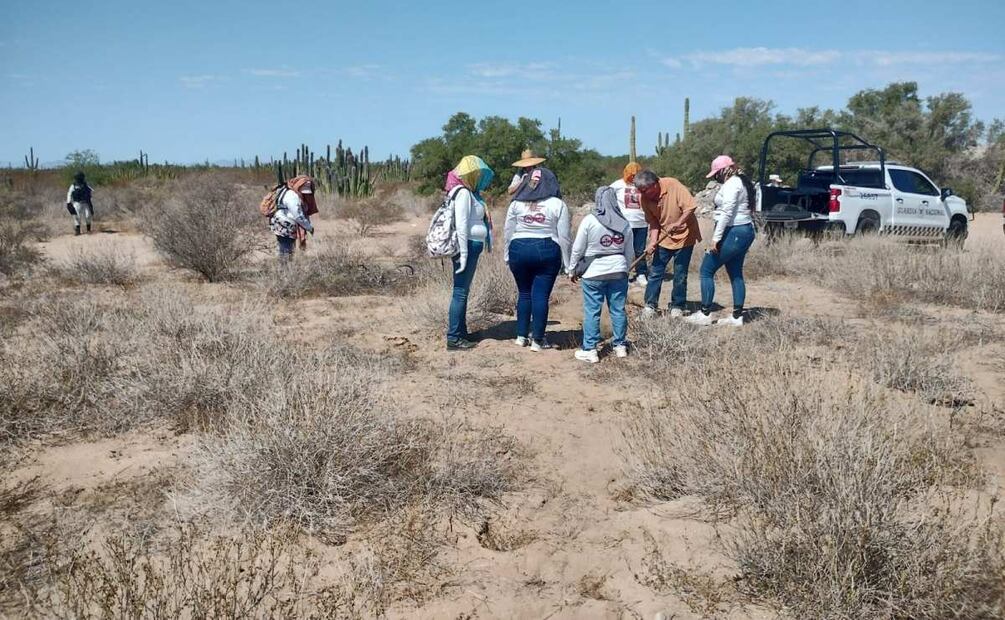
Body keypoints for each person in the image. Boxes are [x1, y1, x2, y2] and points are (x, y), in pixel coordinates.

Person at [504, 166, 571, 351]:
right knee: (540, 295)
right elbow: (564, 237)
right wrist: (568, 263)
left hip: (518, 247)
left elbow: (508, 231)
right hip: (546, 247)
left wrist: (506, 254)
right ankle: (538, 340)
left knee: (524, 293)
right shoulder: (557, 204)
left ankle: (521, 336)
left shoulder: (516, 203)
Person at [687, 156, 756, 327]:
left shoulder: (733, 184)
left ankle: (705, 314)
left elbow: (727, 212)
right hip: (744, 231)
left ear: (725, 170)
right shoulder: (741, 181)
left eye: (716, 173)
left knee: (706, 270)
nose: (715, 177)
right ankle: (737, 317)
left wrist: (716, 239)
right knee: (735, 272)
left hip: (734, 232)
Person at [569, 186, 634, 364]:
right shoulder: (625, 223)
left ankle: (590, 349)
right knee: (618, 309)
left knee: (592, 311)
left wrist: (572, 268)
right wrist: (626, 268)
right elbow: (629, 252)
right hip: (618, 271)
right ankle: (620, 345)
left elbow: (578, 248)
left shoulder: (590, 220)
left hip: (594, 272)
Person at [632, 169, 701, 318]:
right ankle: (650, 305)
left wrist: (678, 223)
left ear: (654, 184)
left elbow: (690, 207)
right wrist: (652, 242)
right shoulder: (644, 198)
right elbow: (654, 223)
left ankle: (677, 306)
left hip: (685, 236)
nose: (643, 194)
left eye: (645, 190)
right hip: (664, 237)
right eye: (640, 191)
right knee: (655, 272)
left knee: (680, 274)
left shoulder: (673, 185)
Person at [445, 155, 494, 351]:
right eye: (476, 173)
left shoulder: (470, 193)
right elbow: (462, 224)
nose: (479, 176)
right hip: (466, 247)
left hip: (471, 246)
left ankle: (461, 332)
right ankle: (454, 337)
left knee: (463, 291)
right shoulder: (464, 193)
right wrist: (464, 254)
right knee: (460, 292)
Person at [609, 162, 648, 286]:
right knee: (622, 249)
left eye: (636, 174)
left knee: (640, 250)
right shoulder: (617, 185)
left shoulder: (644, 184)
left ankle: (641, 273)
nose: (633, 177)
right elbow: (606, 195)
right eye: (631, 174)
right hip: (624, 224)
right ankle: (622, 273)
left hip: (641, 223)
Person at [270, 175, 316, 260]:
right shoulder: (292, 196)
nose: (304, 194)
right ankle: (285, 266)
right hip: (285, 225)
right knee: (286, 250)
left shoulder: (288, 191)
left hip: (281, 223)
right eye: (303, 191)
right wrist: (309, 227)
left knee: (285, 249)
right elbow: (298, 216)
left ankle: (285, 265)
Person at [66, 171, 95, 235]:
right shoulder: (73, 186)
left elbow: (91, 190)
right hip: (77, 203)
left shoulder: (85, 185)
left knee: (88, 215)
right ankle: (78, 230)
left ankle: (88, 230)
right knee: (77, 216)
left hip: (85, 203)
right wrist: (68, 202)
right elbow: (69, 194)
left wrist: (89, 196)